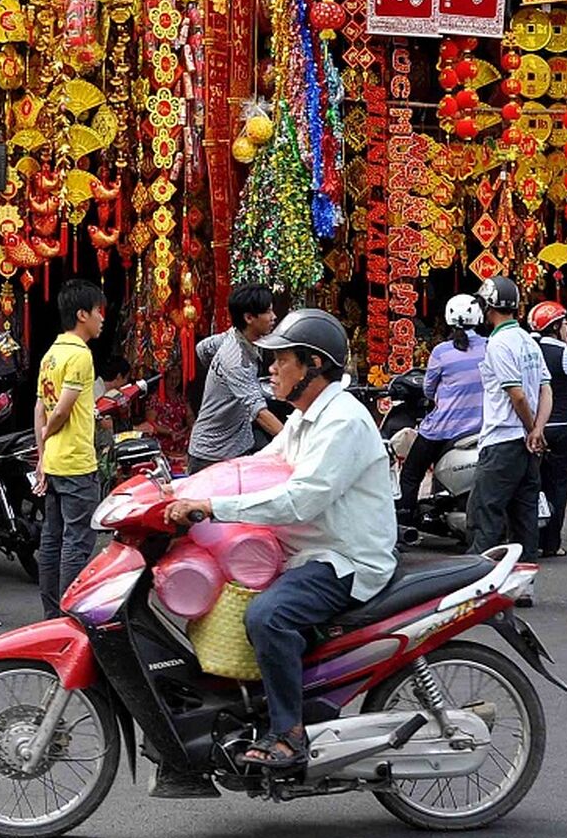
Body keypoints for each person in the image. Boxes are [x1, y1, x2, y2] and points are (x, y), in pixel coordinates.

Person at [165, 309, 395, 772]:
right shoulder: (305, 418)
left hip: (343, 560)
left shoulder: (342, 422)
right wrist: (180, 489)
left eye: (280, 359)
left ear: (312, 364)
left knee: (267, 615)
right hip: (306, 553)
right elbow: (253, 467)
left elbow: (298, 501)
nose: (270, 368)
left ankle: (289, 734)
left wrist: (215, 508)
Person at [32, 279, 106, 618]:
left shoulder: (51, 354)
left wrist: (42, 454)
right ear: (81, 315)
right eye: (97, 311)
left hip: (56, 463)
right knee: (76, 543)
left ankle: (52, 613)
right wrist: (48, 434)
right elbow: (60, 409)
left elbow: (40, 407)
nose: (102, 318)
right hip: (76, 463)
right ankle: (68, 614)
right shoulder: (80, 355)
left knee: (52, 541)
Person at [468, 276, 550, 560]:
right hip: (528, 448)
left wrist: (531, 429)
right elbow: (545, 389)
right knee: (524, 519)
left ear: (488, 307)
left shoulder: (498, 344)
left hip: (503, 442)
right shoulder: (528, 341)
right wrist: (538, 430)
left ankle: (478, 588)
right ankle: (523, 585)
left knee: (485, 517)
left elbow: (517, 395)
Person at [396, 293, 486, 524]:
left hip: (443, 429)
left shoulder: (441, 352)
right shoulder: (490, 347)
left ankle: (405, 522)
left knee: (410, 474)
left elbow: (428, 389)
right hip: (481, 427)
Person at [187, 284, 283, 472]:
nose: (274, 317)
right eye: (268, 312)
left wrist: (222, 382)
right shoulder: (236, 361)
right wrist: (296, 440)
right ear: (249, 318)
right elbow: (260, 412)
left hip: (239, 445)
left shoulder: (232, 335)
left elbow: (203, 348)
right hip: (212, 456)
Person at [530, 300, 567, 558]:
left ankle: (528, 538)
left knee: (531, 484)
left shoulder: (528, 349)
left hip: (533, 427)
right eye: (565, 323)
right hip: (562, 427)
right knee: (558, 486)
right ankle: (551, 543)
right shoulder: (565, 353)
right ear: (556, 327)